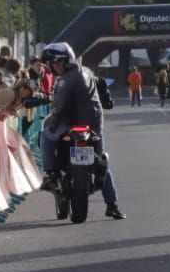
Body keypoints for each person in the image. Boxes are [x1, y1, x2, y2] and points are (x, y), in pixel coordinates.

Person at [41, 42, 124, 220]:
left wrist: (52, 121)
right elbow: (107, 100)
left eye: (58, 63)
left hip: (71, 125)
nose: (56, 66)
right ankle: (112, 204)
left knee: (45, 134)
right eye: (54, 63)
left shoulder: (65, 80)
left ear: (68, 61)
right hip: (93, 125)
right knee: (101, 161)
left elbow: (56, 108)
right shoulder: (88, 74)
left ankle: (50, 174)